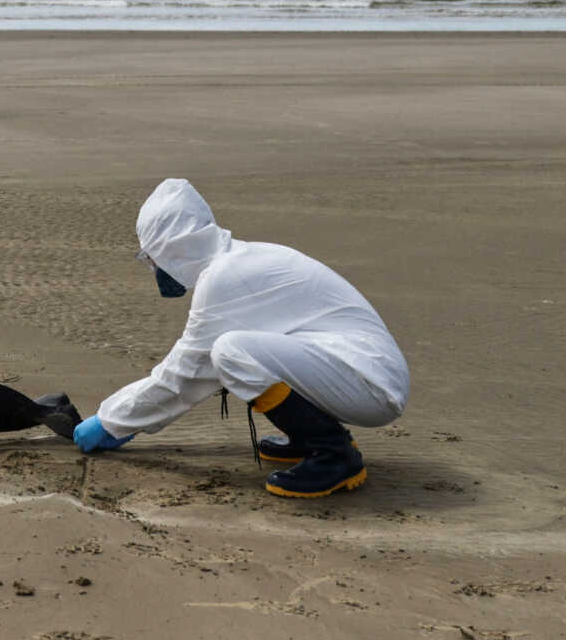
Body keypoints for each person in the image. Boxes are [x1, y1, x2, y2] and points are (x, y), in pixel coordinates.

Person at [69, 177, 408, 499]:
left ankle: (335, 455)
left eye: (152, 258)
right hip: (359, 371)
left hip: (369, 385)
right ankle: (310, 439)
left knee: (230, 353)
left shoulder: (224, 278)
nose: (155, 269)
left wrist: (110, 421)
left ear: (172, 249)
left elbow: (184, 373)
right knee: (240, 351)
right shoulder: (241, 258)